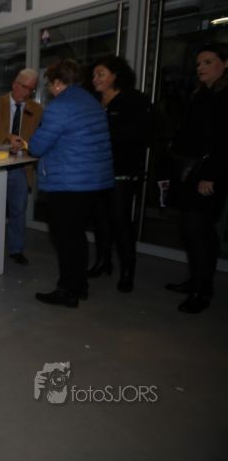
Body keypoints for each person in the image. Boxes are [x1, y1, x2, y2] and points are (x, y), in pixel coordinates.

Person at [28, 58, 114, 308]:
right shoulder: (92, 102)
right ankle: (80, 286)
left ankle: (67, 291)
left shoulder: (60, 106)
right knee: (77, 237)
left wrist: (29, 143)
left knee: (65, 239)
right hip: (92, 181)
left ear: (57, 82)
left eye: (50, 84)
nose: (50, 89)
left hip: (69, 183)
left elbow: (37, 146)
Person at [164, 43, 228, 313]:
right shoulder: (201, 94)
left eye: (208, 62)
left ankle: (202, 290)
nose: (201, 67)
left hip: (208, 174)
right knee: (192, 231)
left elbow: (223, 142)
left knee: (198, 231)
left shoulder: (224, 97)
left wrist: (210, 176)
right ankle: (195, 281)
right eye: (199, 63)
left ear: (225, 64)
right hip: (189, 172)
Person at [88, 55, 152, 292]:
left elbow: (140, 135)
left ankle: (127, 270)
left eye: (101, 74)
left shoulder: (134, 100)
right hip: (97, 170)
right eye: (94, 75)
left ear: (116, 75)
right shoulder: (94, 101)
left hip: (122, 172)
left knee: (120, 221)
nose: (95, 79)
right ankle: (103, 261)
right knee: (100, 220)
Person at [0, 68, 43, 265]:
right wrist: (8, 138)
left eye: (31, 89)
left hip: (19, 166)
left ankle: (16, 249)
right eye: (24, 87)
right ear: (15, 84)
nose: (27, 93)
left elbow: (39, 135)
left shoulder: (37, 109)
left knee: (18, 209)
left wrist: (26, 144)